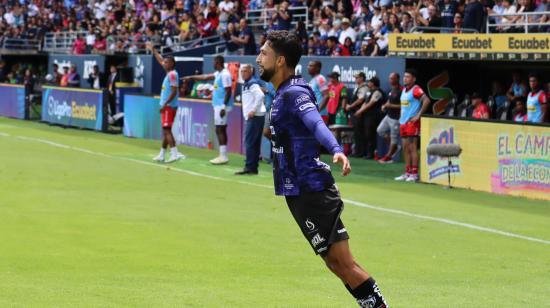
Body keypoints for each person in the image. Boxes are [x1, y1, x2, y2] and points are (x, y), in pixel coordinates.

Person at [256, 30, 388, 308]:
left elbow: (316, 123)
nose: (258, 59)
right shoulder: (281, 93)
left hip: (311, 188)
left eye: (264, 53)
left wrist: (336, 149)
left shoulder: (294, 92)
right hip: (298, 190)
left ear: (280, 61)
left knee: (344, 263)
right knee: (336, 263)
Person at [182, 55, 234, 165]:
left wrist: (224, 106)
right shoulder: (218, 74)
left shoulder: (225, 74)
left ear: (219, 62)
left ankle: (223, 156)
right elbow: (205, 77)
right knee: (220, 129)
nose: (213, 64)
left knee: (220, 129)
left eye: (214, 62)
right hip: (218, 105)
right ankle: (222, 155)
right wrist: (191, 77)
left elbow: (229, 91)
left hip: (221, 106)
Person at [147, 42, 185, 164]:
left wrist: (164, 104)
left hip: (168, 106)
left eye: (167, 62)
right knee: (166, 130)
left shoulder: (173, 74)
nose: (164, 63)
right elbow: (160, 60)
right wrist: (153, 49)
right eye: (165, 62)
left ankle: (174, 153)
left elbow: (174, 91)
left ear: (172, 63)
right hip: (167, 106)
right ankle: (162, 154)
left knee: (167, 130)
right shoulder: (169, 73)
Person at [395, 68, 431, 182]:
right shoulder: (404, 90)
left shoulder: (416, 89)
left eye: (408, 77)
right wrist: (401, 117)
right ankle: (408, 172)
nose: (405, 78)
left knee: (412, 148)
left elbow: (426, 100)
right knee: (405, 148)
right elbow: (403, 106)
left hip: (412, 123)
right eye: (404, 76)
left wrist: (418, 116)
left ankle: (414, 173)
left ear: (413, 79)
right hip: (403, 123)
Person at [235, 64, 266, 175]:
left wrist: (253, 110)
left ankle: (249, 167)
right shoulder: (248, 84)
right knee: (254, 143)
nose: (243, 73)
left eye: (245, 71)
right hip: (257, 116)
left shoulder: (252, 83)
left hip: (255, 116)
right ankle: (253, 168)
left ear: (251, 72)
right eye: (242, 71)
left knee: (249, 142)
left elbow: (260, 96)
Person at [354, 76, 384, 159]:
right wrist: (360, 111)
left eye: (370, 82)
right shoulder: (370, 91)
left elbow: (371, 103)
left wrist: (360, 111)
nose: (368, 84)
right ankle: (365, 152)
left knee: (371, 135)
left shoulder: (377, 92)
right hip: (367, 116)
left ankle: (371, 154)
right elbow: (365, 102)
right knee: (366, 134)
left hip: (374, 116)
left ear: (373, 83)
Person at [377, 73, 402, 163]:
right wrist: (385, 106)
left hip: (396, 118)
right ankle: (395, 146)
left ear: (397, 79)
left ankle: (389, 157)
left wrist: (390, 105)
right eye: (390, 78)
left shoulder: (401, 90)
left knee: (394, 137)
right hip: (388, 116)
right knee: (380, 130)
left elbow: (403, 106)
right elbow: (389, 100)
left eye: (392, 78)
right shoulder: (392, 89)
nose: (390, 80)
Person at [345, 72, 369, 158]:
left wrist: (350, 106)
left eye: (357, 78)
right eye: (355, 78)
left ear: (362, 78)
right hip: (354, 112)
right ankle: (357, 151)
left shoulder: (364, 87)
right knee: (356, 133)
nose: (356, 79)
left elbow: (361, 99)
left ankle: (360, 152)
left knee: (359, 133)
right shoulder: (358, 87)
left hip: (358, 113)